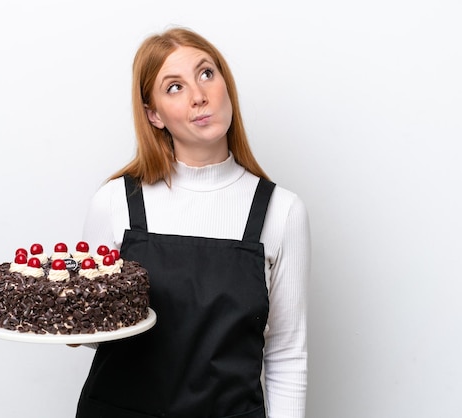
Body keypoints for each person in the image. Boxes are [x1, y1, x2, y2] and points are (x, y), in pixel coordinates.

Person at [75, 26, 310, 418]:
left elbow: (286, 353)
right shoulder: (116, 202)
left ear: (225, 85)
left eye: (206, 74)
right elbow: (97, 333)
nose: (199, 96)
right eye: (174, 87)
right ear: (154, 115)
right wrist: (72, 326)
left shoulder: (280, 211)